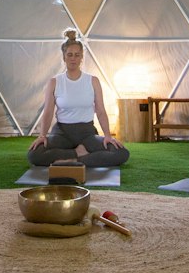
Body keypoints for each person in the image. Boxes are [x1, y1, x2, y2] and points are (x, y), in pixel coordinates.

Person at [27, 29, 129, 169]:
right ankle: (78, 154)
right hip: (62, 134)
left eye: (77, 55)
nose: (73, 58)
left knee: (121, 153)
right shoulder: (55, 82)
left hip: (87, 134)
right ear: (64, 57)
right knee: (34, 155)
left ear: (82, 57)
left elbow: (100, 110)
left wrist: (107, 135)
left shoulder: (93, 81)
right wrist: (42, 135)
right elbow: (48, 111)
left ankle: (73, 161)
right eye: (69, 55)